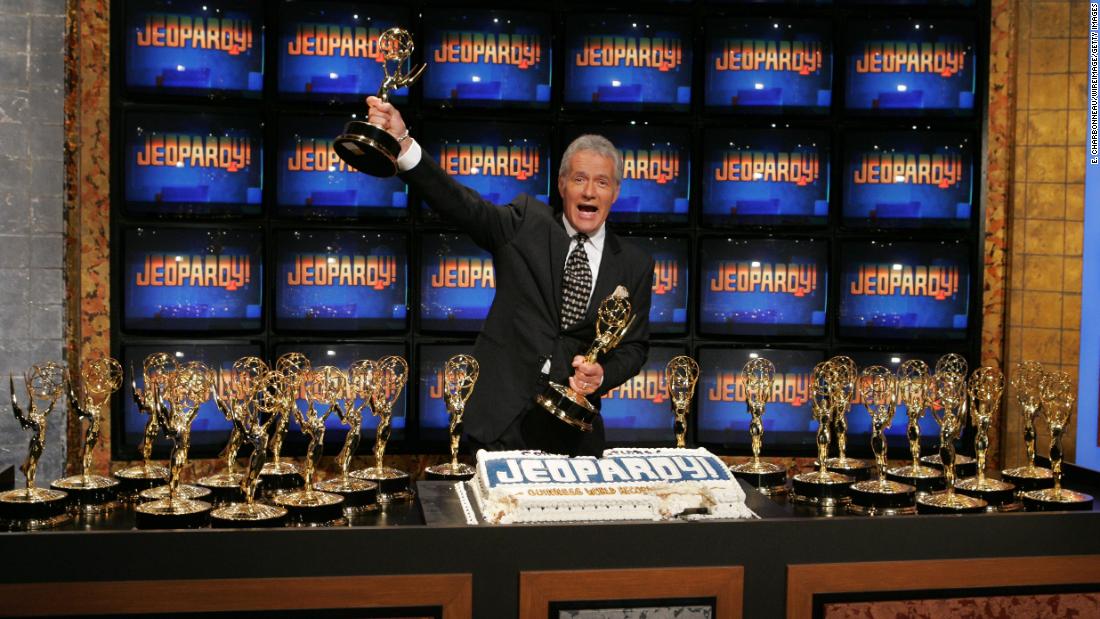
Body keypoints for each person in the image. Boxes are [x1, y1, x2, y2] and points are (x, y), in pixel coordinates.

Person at [366, 96, 653, 457]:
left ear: (616, 193)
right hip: (496, 422)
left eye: (602, 182)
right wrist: (404, 144)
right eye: (579, 179)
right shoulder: (526, 222)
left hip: (572, 433)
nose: (589, 192)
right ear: (562, 185)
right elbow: (463, 206)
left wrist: (603, 375)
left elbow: (635, 347)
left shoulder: (635, 264)